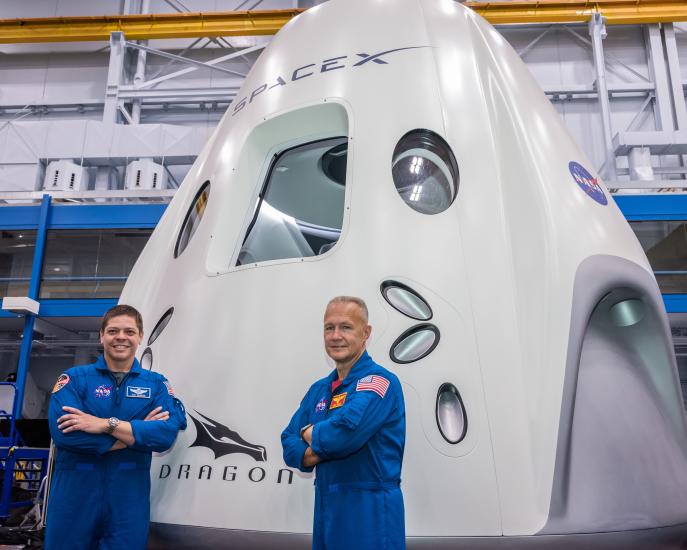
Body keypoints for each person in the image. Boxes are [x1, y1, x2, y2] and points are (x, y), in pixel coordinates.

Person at [45, 304, 187, 550]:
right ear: (102, 335)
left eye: (129, 332)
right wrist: (137, 435)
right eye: (113, 331)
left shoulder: (156, 385)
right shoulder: (74, 379)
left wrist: (104, 424)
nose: (121, 337)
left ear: (140, 336)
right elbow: (66, 436)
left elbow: (164, 436)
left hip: (128, 500)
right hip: (74, 498)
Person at [281, 296, 406, 550]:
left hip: (369, 513)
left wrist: (307, 432)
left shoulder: (379, 382)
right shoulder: (319, 390)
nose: (336, 335)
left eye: (346, 327)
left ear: (366, 333)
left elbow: (343, 436)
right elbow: (287, 441)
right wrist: (317, 442)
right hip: (327, 510)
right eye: (329, 327)